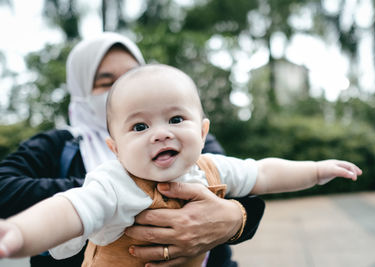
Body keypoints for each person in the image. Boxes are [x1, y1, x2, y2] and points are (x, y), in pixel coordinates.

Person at [0, 64, 362, 266]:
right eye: (140, 127)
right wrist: (18, 235)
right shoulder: (112, 184)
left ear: (203, 130)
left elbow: (263, 172)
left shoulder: (211, 167)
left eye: (175, 119)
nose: (161, 134)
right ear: (116, 148)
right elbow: (68, 211)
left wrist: (315, 171)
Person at [0, 33, 265, 267]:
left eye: (130, 76)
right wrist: (110, 193)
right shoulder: (56, 144)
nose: (119, 87)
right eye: (106, 82)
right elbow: (5, 188)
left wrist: (234, 219)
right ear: (81, 89)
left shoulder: (183, 137)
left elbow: (243, 187)